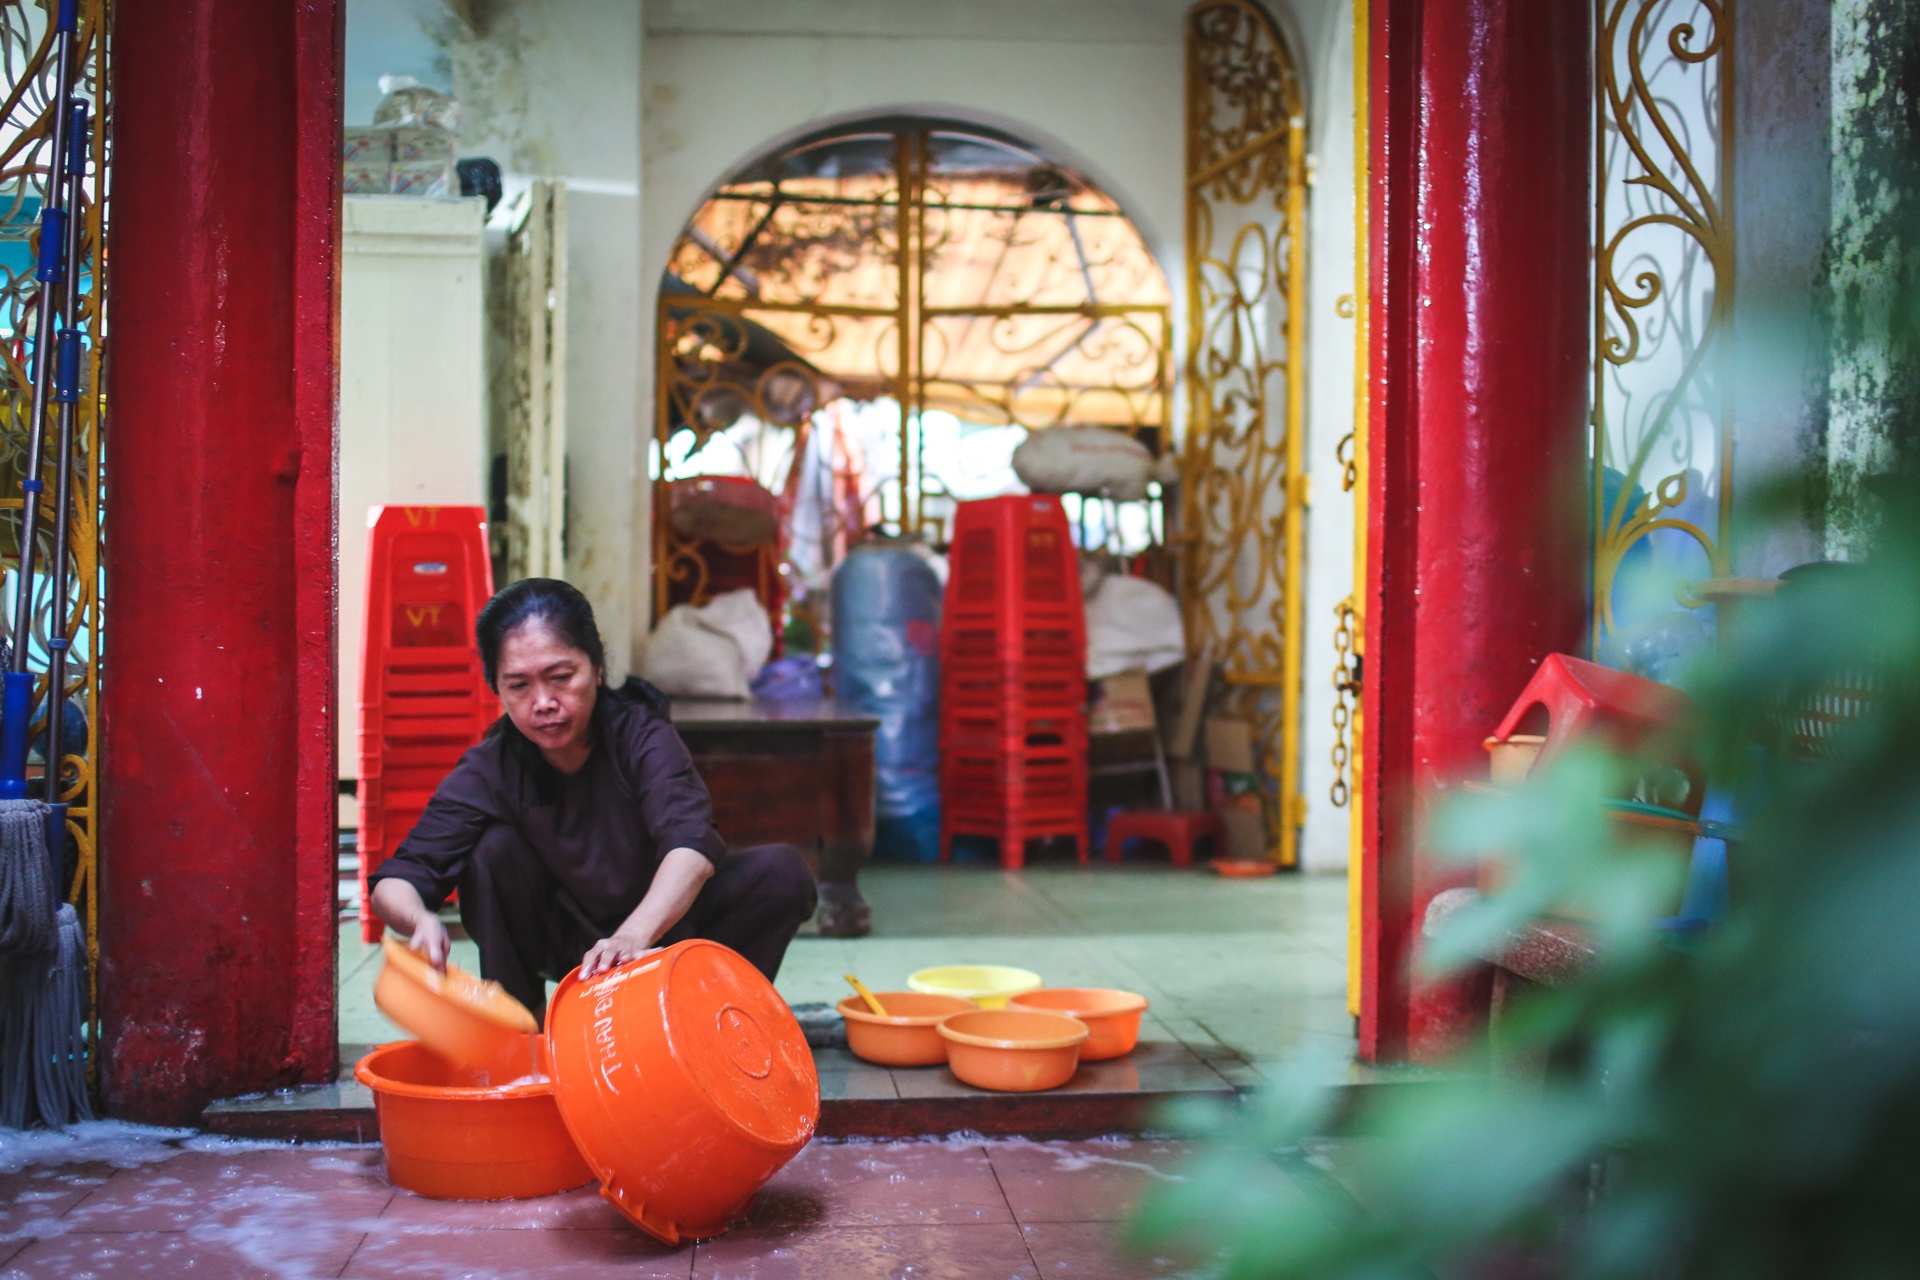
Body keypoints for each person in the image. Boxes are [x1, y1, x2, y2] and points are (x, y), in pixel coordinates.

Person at [368, 578, 817, 1022]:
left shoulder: (640, 733)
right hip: (571, 948)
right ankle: (522, 1028)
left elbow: (692, 847)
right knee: (491, 851)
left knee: (780, 874)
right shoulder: (492, 766)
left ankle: (710, 1022)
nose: (544, 702)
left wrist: (633, 936)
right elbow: (398, 878)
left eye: (561, 677)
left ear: (597, 667)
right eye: (519, 686)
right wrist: (419, 920)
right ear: (496, 688)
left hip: (663, 934)